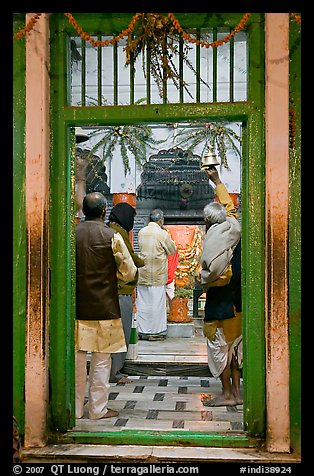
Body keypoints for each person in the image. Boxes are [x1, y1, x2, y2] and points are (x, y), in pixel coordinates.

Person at [75, 192, 137, 419]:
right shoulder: (112, 236)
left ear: (83, 211)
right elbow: (129, 271)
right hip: (105, 307)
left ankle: (75, 410)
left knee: (77, 360)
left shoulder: (72, 235)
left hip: (76, 308)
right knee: (102, 361)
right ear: (104, 212)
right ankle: (98, 410)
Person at [199, 167, 242, 407]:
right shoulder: (234, 230)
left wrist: (203, 278)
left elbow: (211, 272)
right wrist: (217, 181)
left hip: (221, 305)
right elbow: (231, 208)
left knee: (220, 349)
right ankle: (236, 392)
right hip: (238, 304)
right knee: (235, 348)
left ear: (207, 221)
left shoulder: (214, 238)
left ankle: (226, 394)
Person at [107, 202, 145, 385]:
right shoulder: (118, 234)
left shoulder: (108, 230)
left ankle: (109, 370)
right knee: (120, 331)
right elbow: (129, 259)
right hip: (121, 291)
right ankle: (116, 372)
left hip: (106, 291)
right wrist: (142, 261)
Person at [136, 209, 177, 341]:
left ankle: (142, 331)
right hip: (158, 275)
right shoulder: (162, 234)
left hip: (143, 273)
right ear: (161, 220)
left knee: (143, 303)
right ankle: (155, 332)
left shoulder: (141, 232)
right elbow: (172, 250)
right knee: (156, 305)